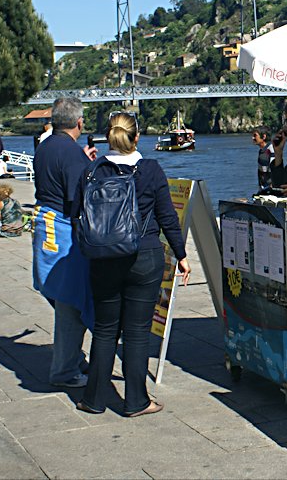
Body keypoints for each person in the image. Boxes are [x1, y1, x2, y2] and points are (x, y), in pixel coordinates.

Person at [74, 112, 191, 417]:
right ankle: (137, 401)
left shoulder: (91, 171)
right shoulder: (150, 170)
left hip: (103, 259)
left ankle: (94, 399)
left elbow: (77, 214)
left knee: (104, 329)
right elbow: (167, 217)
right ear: (136, 137)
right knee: (138, 331)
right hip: (144, 255)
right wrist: (181, 255)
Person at [32, 97, 97, 388]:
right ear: (79, 122)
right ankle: (65, 369)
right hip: (64, 230)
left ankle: (69, 356)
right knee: (72, 300)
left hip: (44, 225)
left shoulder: (45, 146)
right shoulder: (72, 155)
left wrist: (82, 159)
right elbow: (77, 199)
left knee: (59, 294)